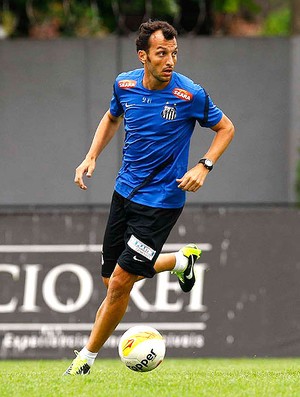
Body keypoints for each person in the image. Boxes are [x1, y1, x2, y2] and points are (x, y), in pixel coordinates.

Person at [64, 20, 234, 375]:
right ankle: (176, 262)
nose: (169, 60)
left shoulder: (190, 94)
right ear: (143, 56)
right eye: (161, 54)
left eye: (174, 54)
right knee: (111, 281)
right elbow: (112, 118)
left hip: (161, 202)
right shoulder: (124, 84)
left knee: (122, 282)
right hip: (124, 192)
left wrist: (204, 165)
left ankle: (84, 361)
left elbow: (226, 128)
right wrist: (91, 155)